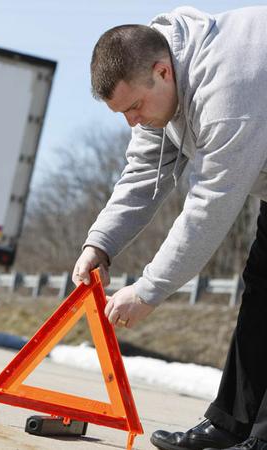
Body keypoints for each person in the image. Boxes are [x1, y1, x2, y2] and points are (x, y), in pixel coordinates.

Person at [72, 6, 267, 450]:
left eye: (135, 107)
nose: (133, 121)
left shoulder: (228, 90)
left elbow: (209, 207)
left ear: (162, 71)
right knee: (261, 290)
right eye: (123, 112)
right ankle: (229, 426)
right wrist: (100, 245)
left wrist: (148, 291)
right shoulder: (161, 81)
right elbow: (144, 175)